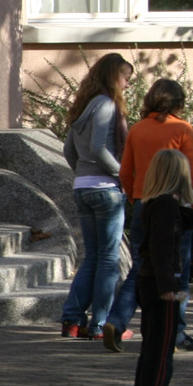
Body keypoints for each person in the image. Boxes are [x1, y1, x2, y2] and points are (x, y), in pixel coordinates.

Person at [56, 52, 136, 348]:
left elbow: (68, 150)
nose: (128, 85)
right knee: (108, 261)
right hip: (105, 189)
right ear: (113, 76)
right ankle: (100, 324)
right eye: (126, 78)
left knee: (92, 257)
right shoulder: (105, 105)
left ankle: (72, 320)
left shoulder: (85, 106)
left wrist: (82, 173)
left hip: (83, 187)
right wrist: (124, 176)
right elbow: (100, 148)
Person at [119, 79, 193, 351]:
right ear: (179, 102)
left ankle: (116, 320)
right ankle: (176, 331)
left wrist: (136, 196)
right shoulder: (182, 128)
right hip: (175, 203)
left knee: (141, 266)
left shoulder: (137, 129)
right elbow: (192, 171)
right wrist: (192, 202)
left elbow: (125, 170)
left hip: (145, 201)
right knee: (178, 267)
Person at [129, 148, 193, 386]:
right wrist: (169, 286)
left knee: (152, 349)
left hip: (150, 282)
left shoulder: (156, 205)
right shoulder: (166, 207)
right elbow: (161, 249)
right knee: (161, 351)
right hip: (160, 285)